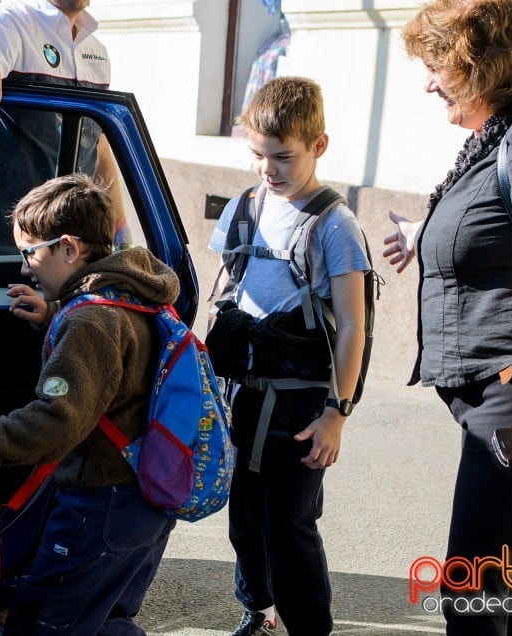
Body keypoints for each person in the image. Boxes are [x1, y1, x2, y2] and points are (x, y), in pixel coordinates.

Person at [383, 1, 512, 634]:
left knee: (469, 587)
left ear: (479, 65)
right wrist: (424, 233)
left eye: (438, 64)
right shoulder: (496, 139)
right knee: (500, 580)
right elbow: (491, 222)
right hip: (498, 390)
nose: (428, 80)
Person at [0, 172, 177, 634]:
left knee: (46, 622)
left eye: (30, 252)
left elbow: (56, 420)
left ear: (68, 248)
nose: (25, 267)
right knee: (106, 617)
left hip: (100, 504)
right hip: (141, 500)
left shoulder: (90, 324)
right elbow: (115, 373)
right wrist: (54, 318)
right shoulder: (127, 293)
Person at [207, 76, 370, 636]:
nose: (268, 170)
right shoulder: (244, 208)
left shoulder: (336, 225)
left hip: (302, 406)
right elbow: (222, 293)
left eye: (282, 157)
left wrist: (336, 415)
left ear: (318, 146)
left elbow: (353, 327)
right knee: (246, 522)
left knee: (290, 526)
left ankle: (309, 628)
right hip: (243, 397)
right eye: (258, 156)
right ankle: (258, 611)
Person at [0, 0, 128, 255]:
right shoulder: (4, 23)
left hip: (64, 260)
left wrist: (122, 241)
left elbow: (98, 151)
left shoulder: (96, 51)